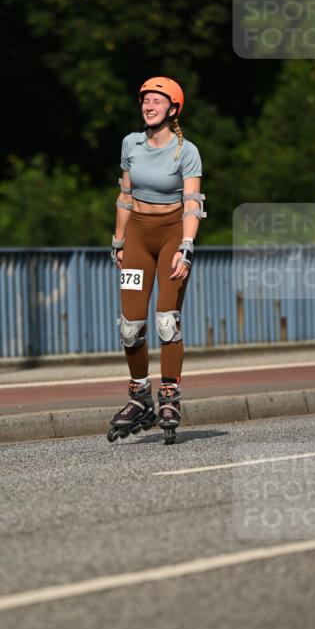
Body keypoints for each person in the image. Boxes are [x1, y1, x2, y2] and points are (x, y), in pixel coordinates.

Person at [107, 77, 205, 445]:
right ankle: (138, 397)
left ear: (173, 109)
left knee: (166, 320)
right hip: (136, 237)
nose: (148, 106)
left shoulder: (187, 151)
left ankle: (169, 396)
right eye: (145, 100)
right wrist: (118, 240)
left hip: (170, 236)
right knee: (130, 326)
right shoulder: (130, 143)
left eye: (156, 101)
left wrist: (186, 246)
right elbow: (125, 195)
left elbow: (193, 203)